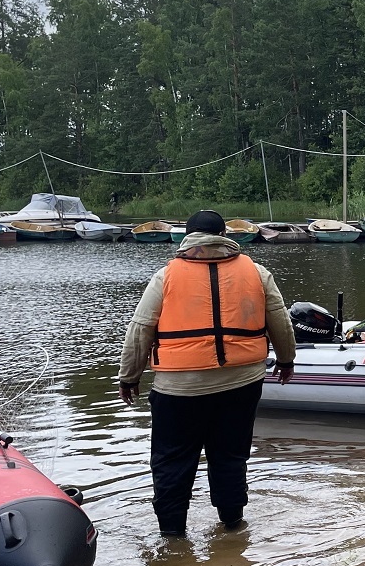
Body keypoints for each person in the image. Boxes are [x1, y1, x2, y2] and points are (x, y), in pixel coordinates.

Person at [118, 209, 297, 538]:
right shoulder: (257, 273)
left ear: (188, 236)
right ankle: (232, 525)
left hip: (178, 390)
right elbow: (281, 322)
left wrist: (130, 376)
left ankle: (172, 540)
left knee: (172, 462)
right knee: (230, 456)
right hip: (241, 383)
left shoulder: (165, 276)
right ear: (224, 235)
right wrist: (286, 360)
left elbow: (140, 329)